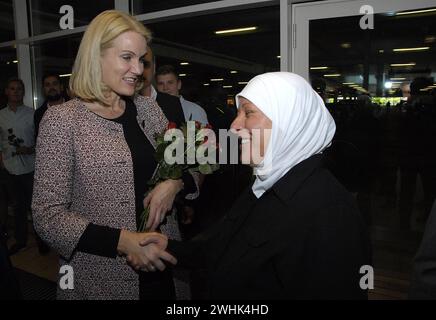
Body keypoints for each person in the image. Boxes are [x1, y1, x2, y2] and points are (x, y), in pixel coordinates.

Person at [141, 72, 371, 299]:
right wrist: (169, 247)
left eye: (248, 113)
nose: (233, 126)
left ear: (287, 122)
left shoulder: (330, 213)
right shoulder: (266, 184)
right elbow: (221, 247)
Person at [32, 10, 198, 300]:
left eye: (141, 59)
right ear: (96, 56)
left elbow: (187, 165)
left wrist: (174, 184)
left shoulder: (149, 110)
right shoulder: (62, 121)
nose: (138, 69)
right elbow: (48, 217)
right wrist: (125, 242)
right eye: (127, 57)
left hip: (164, 266)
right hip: (101, 277)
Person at [0, 78, 35, 256]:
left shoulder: (32, 114)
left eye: (20, 89)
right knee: (17, 207)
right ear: (6, 91)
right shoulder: (1, 116)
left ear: (23, 92)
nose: (16, 92)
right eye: (12, 88)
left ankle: (41, 240)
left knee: (34, 207)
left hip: (31, 169)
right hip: (10, 170)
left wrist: (30, 149)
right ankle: (21, 240)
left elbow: (42, 142)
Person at [139, 46, 185, 127]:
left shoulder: (173, 103)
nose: (138, 70)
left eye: (145, 64)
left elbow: (184, 138)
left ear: (154, 67)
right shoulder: (118, 105)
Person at [34, 73, 67, 139]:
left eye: (55, 84)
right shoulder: (39, 114)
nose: (51, 88)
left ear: (61, 87)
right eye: (47, 85)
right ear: (43, 90)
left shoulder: (74, 109)